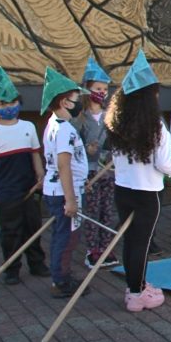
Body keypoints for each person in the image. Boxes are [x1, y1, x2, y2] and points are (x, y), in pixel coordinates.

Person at [105, 50, 171, 312]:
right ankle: (137, 292)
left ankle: (135, 285)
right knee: (140, 243)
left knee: (131, 241)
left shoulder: (116, 123)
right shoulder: (155, 127)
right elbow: (164, 165)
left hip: (123, 190)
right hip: (146, 194)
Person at [0, 67, 49, 286]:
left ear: (18, 103)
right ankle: (12, 269)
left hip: (30, 188)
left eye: (11, 102)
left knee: (33, 226)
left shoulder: (28, 127)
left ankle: (37, 263)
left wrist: (40, 175)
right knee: (10, 231)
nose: (8, 107)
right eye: (2, 104)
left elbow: (35, 154)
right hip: (8, 191)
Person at [40, 67, 89, 298]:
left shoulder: (53, 125)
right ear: (64, 101)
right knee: (67, 237)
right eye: (76, 99)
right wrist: (71, 199)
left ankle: (61, 274)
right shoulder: (63, 129)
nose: (79, 103)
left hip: (63, 188)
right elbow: (63, 165)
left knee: (63, 235)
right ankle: (61, 280)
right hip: (64, 192)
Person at [72, 58, 117, 269]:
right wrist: (85, 149)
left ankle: (107, 247)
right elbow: (73, 146)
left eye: (105, 88)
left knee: (107, 210)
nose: (102, 92)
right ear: (87, 89)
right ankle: (93, 250)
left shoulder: (111, 116)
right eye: (98, 88)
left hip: (108, 171)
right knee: (92, 211)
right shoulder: (80, 119)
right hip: (89, 172)